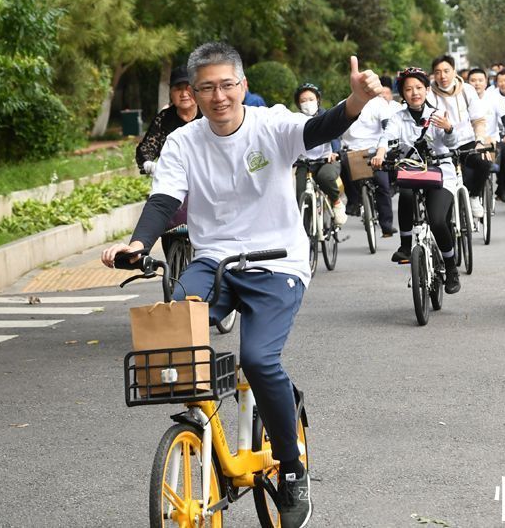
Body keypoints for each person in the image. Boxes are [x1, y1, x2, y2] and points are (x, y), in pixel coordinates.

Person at [102, 42, 383, 526]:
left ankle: (292, 470)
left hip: (277, 262)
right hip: (214, 261)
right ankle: (205, 432)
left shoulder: (270, 124)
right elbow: (165, 200)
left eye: (227, 85)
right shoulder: (183, 142)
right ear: (193, 92)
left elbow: (317, 128)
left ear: (243, 86)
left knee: (257, 357)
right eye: (206, 87)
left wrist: (354, 102)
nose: (218, 96)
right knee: (175, 336)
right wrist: (138, 243)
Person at [371, 67, 462, 294]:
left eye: (419, 88)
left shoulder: (438, 114)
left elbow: (452, 143)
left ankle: (451, 268)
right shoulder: (396, 118)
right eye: (409, 89)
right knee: (407, 193)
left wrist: (449, 128)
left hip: (440, 173)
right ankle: (405, 245)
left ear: (427, 90)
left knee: (438, 220)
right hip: (412, 172)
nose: (414, 93)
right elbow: (387, 137)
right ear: (402, 93)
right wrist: (380, 153)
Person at [427, 54, 492, 220]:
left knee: (484, 161)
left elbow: (478, 120)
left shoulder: (467, 90)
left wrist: (479, 141)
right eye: (438, 72)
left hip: (466, 142)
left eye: (446, 71)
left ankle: (474, 197)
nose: (442, 76)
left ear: (454, 71)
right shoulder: (429, 95)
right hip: (442, 147)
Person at [340, 83, 400, 237]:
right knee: (343, 165)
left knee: (382, 185)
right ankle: (353, 203)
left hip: (375, 151)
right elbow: (335, 130)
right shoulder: (343, 105)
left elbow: (387, 125)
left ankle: (386, 225)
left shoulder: (379, 104)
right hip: (352, 152)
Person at [294, 83, 347, 226]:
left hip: (326, 160)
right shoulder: (294, 120)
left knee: (325, 177)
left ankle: (336, 202)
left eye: (311, 99)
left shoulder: (326, 115)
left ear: (317, 100)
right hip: (304, 163)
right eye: (303, 100)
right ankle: (305, 233)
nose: (307, 103)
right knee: (299, 195)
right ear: (298, 104)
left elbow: (334, 134)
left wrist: (335, 152)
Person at [135, 66, 201, 173]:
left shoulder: (208, 115)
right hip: (172, 178)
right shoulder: (163, 119)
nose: (184, 94)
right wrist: (148, 164)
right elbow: (145, 150)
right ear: (171, 93)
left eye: (188, 88)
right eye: (178, 89)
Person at [482, 68, 505, 203]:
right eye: (499, 81)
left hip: (496, 138)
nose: (502, 84)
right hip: (476, 141)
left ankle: (502, 188)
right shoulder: (491, 95)